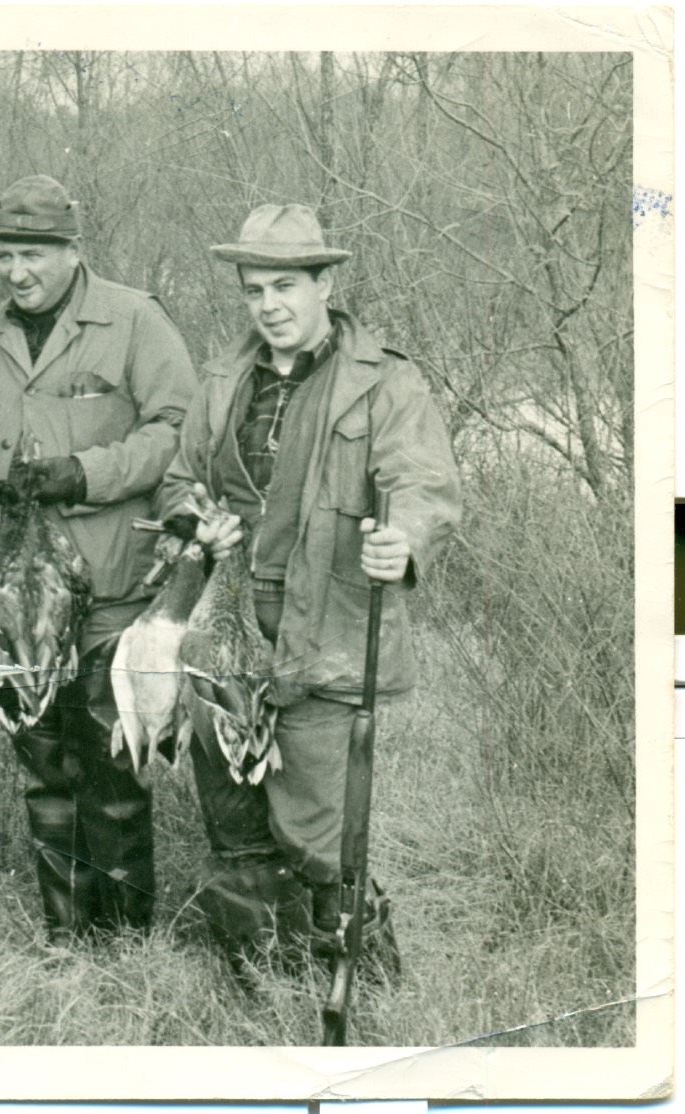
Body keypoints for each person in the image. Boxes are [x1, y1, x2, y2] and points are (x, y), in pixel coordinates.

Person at [154, 203, 461, 961]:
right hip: (224, 638)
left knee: (320, 834)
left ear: (325, 283)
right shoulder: (225, 377)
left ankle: (362, 997)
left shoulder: (384, 381)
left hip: (326, 635)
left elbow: (423, 483)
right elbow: (179, 481)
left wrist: (404, 539)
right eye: (254, 290)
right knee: (232, 820)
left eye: (285, 286)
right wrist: (195, 519)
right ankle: (259, 986)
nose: (269, 306)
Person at [0, 174, 196, 944]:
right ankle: (66, 936)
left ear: (71, 249)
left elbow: (178, 430)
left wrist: (85, 472)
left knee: (112, 772)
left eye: (35, 255)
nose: (19, 272)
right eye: (6, 256)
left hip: (110, 592)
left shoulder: (133, 320)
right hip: (16, 610)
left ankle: (125, 943)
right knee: (45, 771)